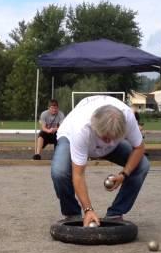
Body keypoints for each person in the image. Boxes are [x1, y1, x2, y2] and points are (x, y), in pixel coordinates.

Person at [51, 95, 149, 227]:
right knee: (60, 172)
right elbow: (78, 175)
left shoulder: (128, 117)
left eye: (113, 137)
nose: (108, 141)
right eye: (105, 138)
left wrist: (124, 175)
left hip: (109, 145)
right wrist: (88, 209)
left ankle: (115, 213)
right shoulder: (81, 128)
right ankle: (72, 214)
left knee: (143, 165)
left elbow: (139, 147)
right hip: (70, 137)